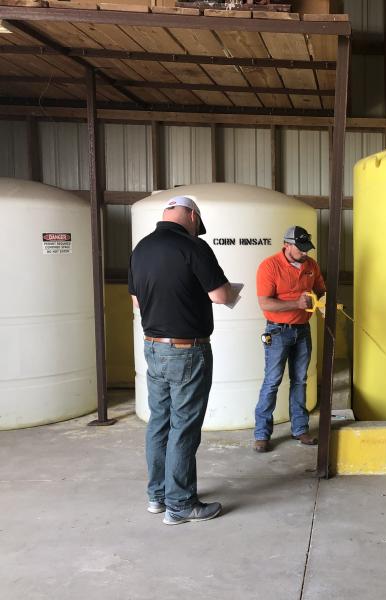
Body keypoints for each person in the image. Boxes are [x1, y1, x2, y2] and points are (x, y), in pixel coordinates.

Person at [129, 195, 238, 525]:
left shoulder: (142, 249)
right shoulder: (194, 248)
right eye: (196, 224)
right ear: (191, 215)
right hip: (187, 350)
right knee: (184, 426)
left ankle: (158, 497)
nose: (196, 229)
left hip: (153, 346)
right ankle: (181, 504)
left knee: (159, 422)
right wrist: (232, 292)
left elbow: (136, 302)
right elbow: (220, 295)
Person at [253, 225, 326, 452]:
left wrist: (324, 305)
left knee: (300, 380)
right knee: (273, 381)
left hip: (302, 330)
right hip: (277, 331)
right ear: (287, 245)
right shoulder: (270, 266)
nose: (305, 253)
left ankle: (300, 429)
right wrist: (296, 303)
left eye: (307, 248)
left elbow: (321, 291)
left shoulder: (311, 265)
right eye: (301, 248)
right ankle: (262, 435)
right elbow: (265, 303)